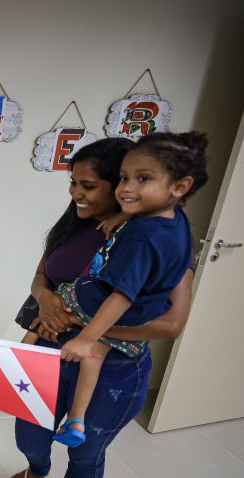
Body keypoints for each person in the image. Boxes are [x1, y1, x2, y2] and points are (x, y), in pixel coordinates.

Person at [4, 136, 198, 478]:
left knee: (86, 452)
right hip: (48, 349)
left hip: (112, 367)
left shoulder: (156, 240)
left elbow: (171, 324)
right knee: (29, 432)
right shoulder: (74, 224)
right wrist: (45, 301)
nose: (76, 193)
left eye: (88, 186)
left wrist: (86, 330)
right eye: (73, 184)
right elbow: (42, 277)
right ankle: (37, 468)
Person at [51, 131, 208, 448]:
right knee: (95, 357)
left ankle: (30, 348)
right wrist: (125, 213)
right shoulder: (174, 219)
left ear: (180, 186)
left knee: (60, 313)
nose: (127, 188)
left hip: (102, 305)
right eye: (124, 178)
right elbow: (161, 210)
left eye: (143, 178)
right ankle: (77, 420)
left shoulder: (141, 238)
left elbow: (120, 295)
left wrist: (85, 335)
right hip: (141, 315)